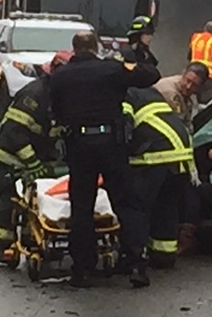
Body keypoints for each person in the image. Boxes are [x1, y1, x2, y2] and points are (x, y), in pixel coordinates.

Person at [47, 29, 160, 288]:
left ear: (74, 49)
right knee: (126, 203)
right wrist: (136, 56)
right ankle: (135, 264)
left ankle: (83, 268)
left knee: (82, 206)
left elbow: (56, 110)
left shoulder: (61, 76)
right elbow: (150, 75)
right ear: (96, 47)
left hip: (79, 146)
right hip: (112, 143)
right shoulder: (112, 69)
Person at [0, 51, 69, 264]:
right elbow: (15, 133)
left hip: (38, 158)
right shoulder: (34, 95)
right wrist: (32, 163)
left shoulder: (61, 95)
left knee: (36, 200)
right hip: (10, 160)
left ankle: (32, 239)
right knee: (10, 199)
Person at [120, 85, 195, 276]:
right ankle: (164, 256)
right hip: (181, 152)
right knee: (167, 206)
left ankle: (135, 257)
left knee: (138, 207)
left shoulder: (123, 92)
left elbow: (124, 127)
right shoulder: (148, 90)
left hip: (155, 155)